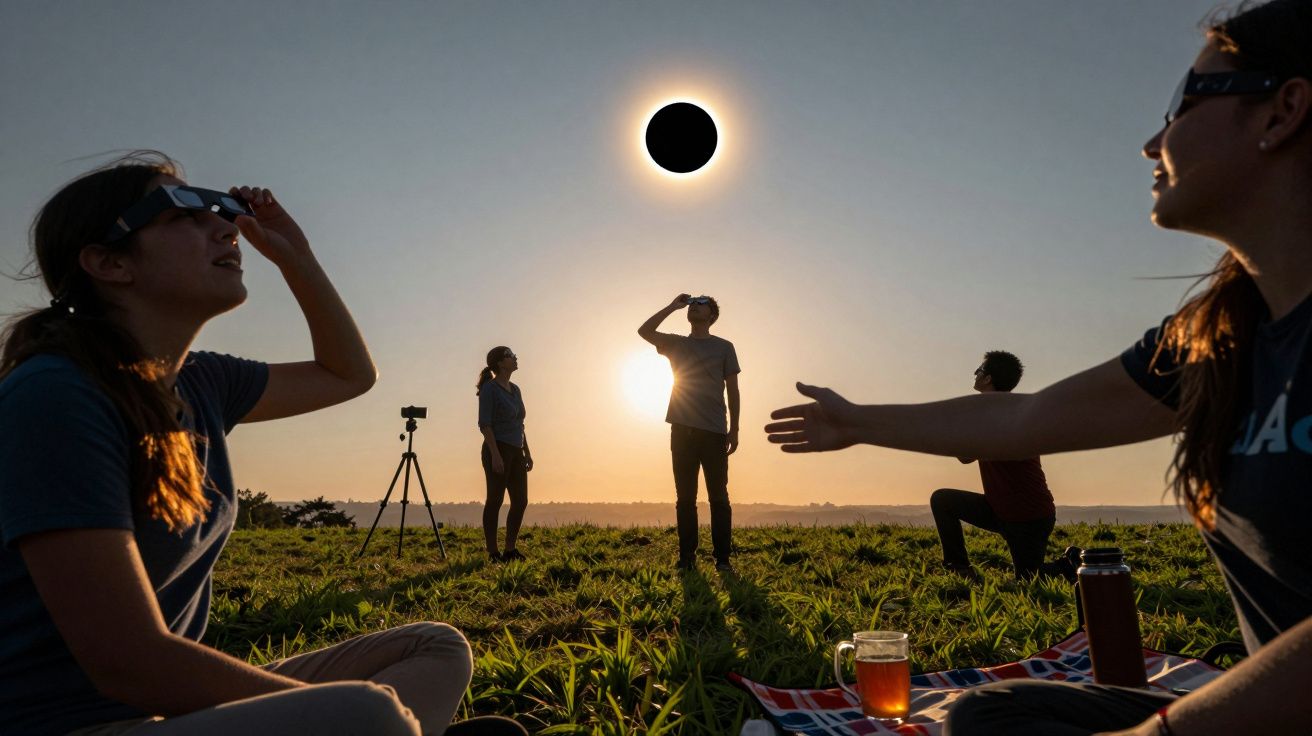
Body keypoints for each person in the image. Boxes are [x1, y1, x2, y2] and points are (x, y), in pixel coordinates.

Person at [766, 1, 1312, 732]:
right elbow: (1024, 416)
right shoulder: (1219, 337)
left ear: (1284, 110)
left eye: (1182, 105)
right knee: (989, 715)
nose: (1153, 143)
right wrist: (856, 421)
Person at [0, 153, 524, 736]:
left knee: (435, 647)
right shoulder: (56, 393)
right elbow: (126, 661)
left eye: (221, 210)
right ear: (108, 262)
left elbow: (346, 374)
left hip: (164, 713)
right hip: (71, 725)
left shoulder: (202, 382)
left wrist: (296, 259)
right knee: (367, 712)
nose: (225, 227)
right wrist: (336, 714)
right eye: (183, 213)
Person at [932, 350, 1058, 580]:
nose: (975, 373)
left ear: (988, 378)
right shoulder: (989, 414)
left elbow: (967, 453)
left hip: (1028, 517)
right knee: (942, 500)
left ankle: (1073, 563)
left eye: (979, 370)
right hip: (999, 510)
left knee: (1030, 579)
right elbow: (966, 455)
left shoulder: (1007, 415)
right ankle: (960, 569)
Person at [639, 293, 741, 572]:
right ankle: (687, 558)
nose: (695, 305)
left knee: (718, 497)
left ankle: (722, 560)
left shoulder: (724, 347)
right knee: (685, 497)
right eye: (693, 303)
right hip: (682, 430)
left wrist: (735, 428)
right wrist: (673, 306)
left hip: (715, 431)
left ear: (711, 315)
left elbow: (733, 389)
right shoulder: (676, 343)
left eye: (702, 302)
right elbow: (644, 331)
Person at [477, 346, 532, 562]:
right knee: (495, 499)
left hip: (516, 450)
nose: (515, 357)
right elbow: (485, 425)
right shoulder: (490, 389)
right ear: (500, 363)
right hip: (497, 448)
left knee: (521, 500)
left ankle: (510, 549)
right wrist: (496, 455)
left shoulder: (516, 389)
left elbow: (520, 424)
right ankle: (493, 552)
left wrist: (527, 451)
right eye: (510, 355)